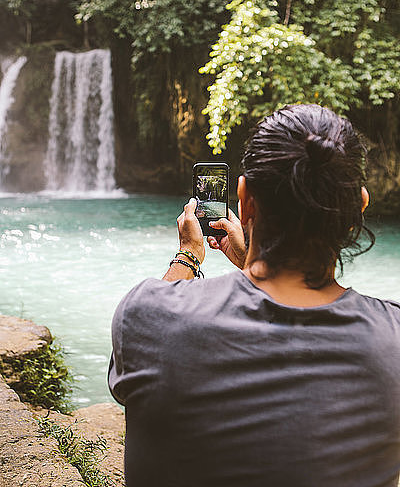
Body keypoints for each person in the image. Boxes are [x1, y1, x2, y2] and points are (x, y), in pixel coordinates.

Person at [108, 104, 400, 487]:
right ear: (359, 206)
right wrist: (249, 260)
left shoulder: (148, 313)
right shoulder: (393, 339)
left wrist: (188, 256)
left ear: (243, 199)